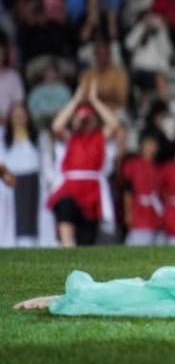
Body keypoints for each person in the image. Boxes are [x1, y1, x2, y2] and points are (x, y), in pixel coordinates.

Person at [46, 79, 121, 247]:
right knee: (66, 207)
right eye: (82, 118)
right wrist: (76, 100)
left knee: (87, 238)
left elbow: (114, 124)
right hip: (69, 188)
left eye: (89, 118)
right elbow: (57, 126)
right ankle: (67, 247)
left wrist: (95, 101)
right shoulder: (70, 138)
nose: (85, 121)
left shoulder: (99, 139)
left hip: (92, 192)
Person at [0, 103, 44, 247]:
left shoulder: (37, 137)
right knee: (13, 217)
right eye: (16, 115)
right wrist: (4, 173)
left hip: (33, 179)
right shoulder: (3, 137)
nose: (19, 118)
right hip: (10, 181)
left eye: (22, 115)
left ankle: (31, 244)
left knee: (32, 216)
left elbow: (45, 160)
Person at [119, 130, 168, 246]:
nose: (152, 147)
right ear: (142, 145)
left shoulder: (159, 167)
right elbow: (128, 191)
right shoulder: (132, 165)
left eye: (154, 144)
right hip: (139, 213)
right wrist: (128, 213)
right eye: (149, 144)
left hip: (156, 214)